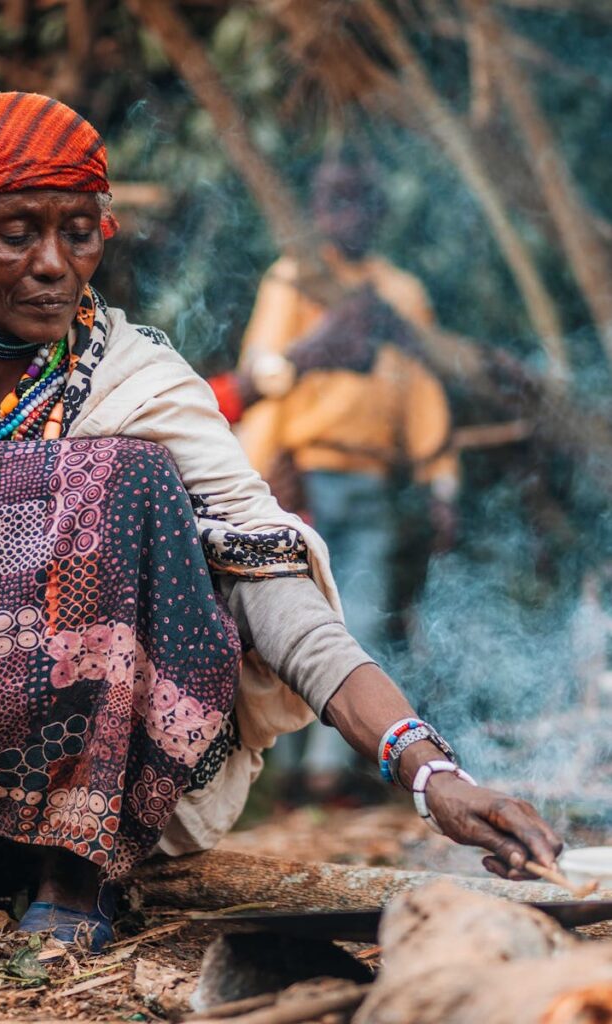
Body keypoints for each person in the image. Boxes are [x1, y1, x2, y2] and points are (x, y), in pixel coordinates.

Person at [0, 92, 560, 953]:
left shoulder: (139, 380)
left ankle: (75, 864)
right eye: (15, 232)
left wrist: (428, 771)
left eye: (77, 231)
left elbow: (269, 574)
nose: (51, 263)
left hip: (94, 771)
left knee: (126, 472)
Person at [222, 158, 459, 795]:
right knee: (292, 623)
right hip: (299, 481)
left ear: (380, 212)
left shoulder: (400, 294)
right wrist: (254, 482)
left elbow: (423, 392)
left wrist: (441, 481)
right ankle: (286, 777)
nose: (346, 215)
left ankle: (326, 775)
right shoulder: (297, 278)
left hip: (370, 481)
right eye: (333, 201)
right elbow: (264, 377)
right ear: (315, 210)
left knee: (361, 621)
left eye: (359, 201)